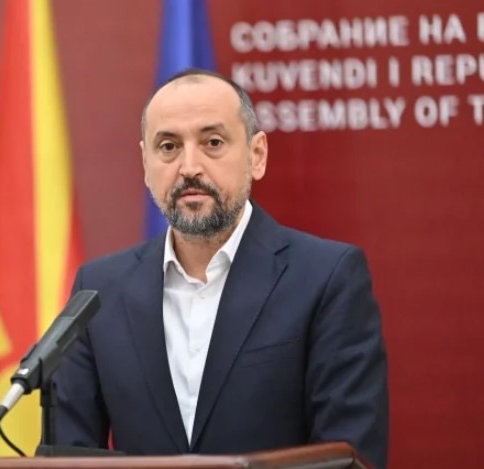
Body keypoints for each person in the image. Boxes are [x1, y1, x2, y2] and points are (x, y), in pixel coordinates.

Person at [53, 69, 388, 469]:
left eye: (212, 142)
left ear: (256, 155)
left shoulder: (327, 278)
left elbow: (346, 452)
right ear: (145, 163)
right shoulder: (100, 290)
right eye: (168, 146)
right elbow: (68, 456)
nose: (189, 167)